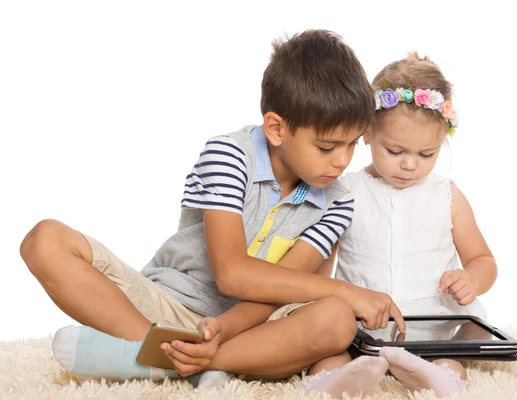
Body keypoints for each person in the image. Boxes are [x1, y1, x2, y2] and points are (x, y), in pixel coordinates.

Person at [19, 30, 404, 386]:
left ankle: (177, 362)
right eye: (326, 147)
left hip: (254, 328)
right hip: (166, 306)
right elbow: (231, 274)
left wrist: (223, 331)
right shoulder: (229, 154)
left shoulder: (338, 199)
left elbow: (277, 289)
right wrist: (348, 290)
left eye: (353, 144)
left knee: (337, 320)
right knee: (45, 240)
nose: (342, 162)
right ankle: (163, 352)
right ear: (276, 129)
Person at [301, 52, 498, 398]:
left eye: (427, 154)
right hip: (360, 324)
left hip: (433, 326)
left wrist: (472, 279)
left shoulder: (447, 196)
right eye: (394, 151)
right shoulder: (344, 191)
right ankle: (337, 380)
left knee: (449, 364)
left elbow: (483, 260)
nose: (410, 165)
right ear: (367, 133)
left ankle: (433, 378)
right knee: (330, 354)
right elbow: (323, 266)